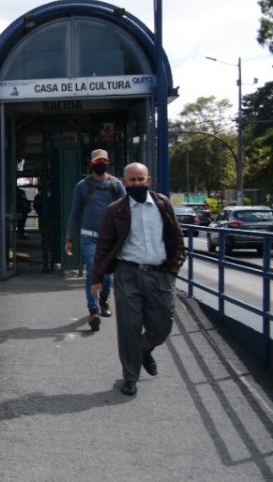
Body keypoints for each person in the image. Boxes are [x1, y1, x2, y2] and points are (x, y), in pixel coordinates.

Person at [90, 162, 186, 396]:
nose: (136, 184)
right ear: (124, 182)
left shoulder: (162, 204)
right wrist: (97, 278)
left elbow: (177, 238)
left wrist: (173, 269)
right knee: (129, 327)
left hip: (160, 274)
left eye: (140, 179)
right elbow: (103, 245)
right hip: (128, 274)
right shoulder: (116, 209)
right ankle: (130, 376)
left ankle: (144, 350)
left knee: (162, 326)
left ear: (148, 180)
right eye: (131, 180)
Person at [64, 149, 125, 331]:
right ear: (91, 163)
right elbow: (74, 213)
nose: (101, 163)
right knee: (93, 270)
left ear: (108, 162)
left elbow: (127, 210)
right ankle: (93, 309)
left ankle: (104, 299)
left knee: (107, 275)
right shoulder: (82, 186)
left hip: (110, 239)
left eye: (104, 160)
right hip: (88, 237)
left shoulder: (116, 185)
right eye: (98, 161)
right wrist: (69, 238)